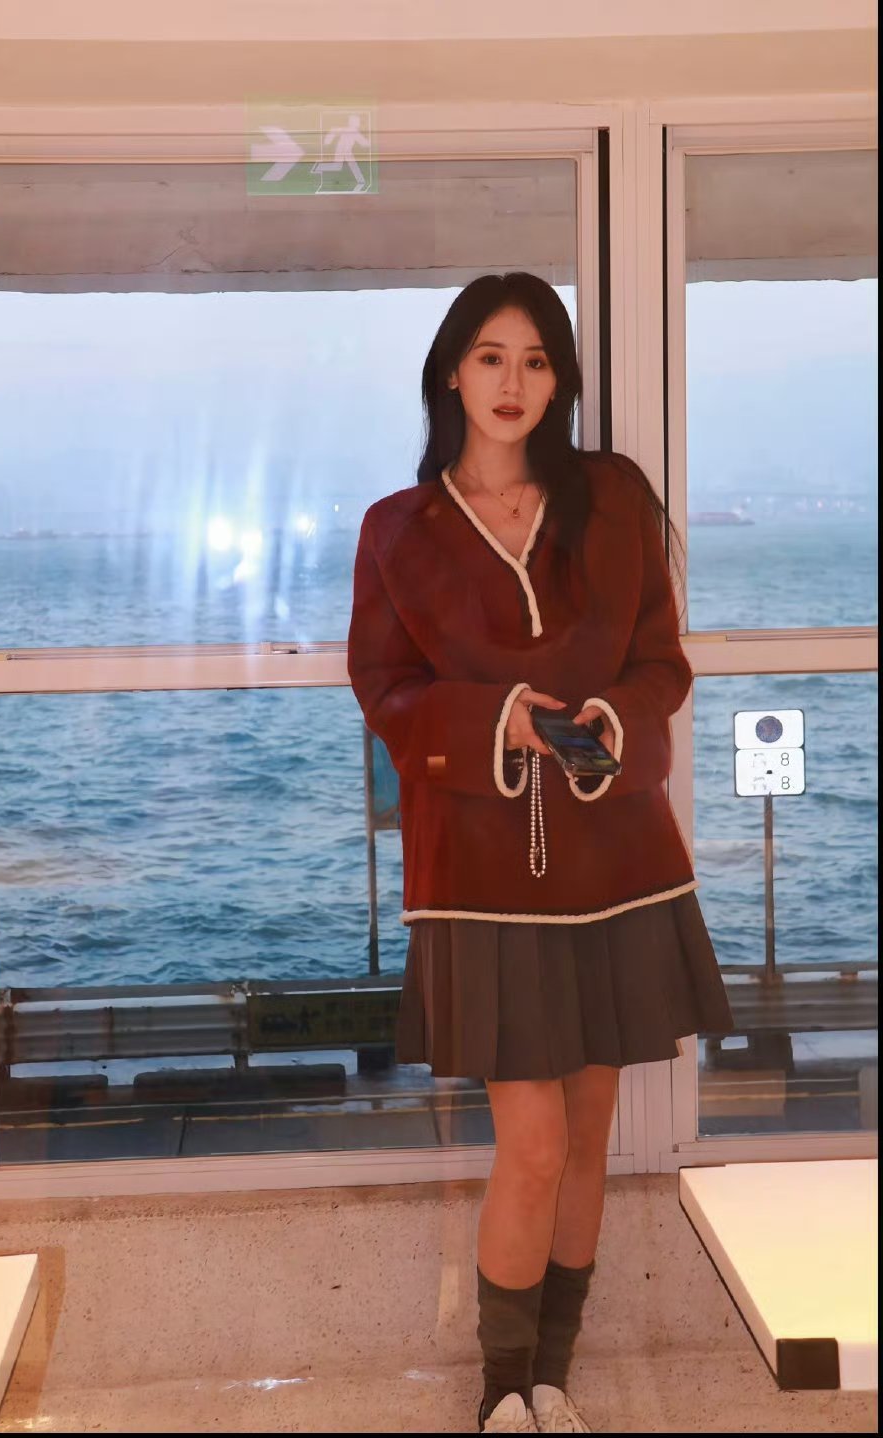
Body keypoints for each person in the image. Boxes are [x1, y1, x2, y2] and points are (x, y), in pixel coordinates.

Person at [346, 272, 734, 1434]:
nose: (511, 381)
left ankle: (553, 1377)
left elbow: (660, 665)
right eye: (489, 356)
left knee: (588, 1138)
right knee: (535, 1141)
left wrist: (605, 723)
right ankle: (497, 1389)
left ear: (558, 380)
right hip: (477, 878)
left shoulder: (611, 497)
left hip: (618, 864)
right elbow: (385, 691)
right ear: (450, 373)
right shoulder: (398, 529)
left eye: (535, 359)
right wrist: (500, 721)